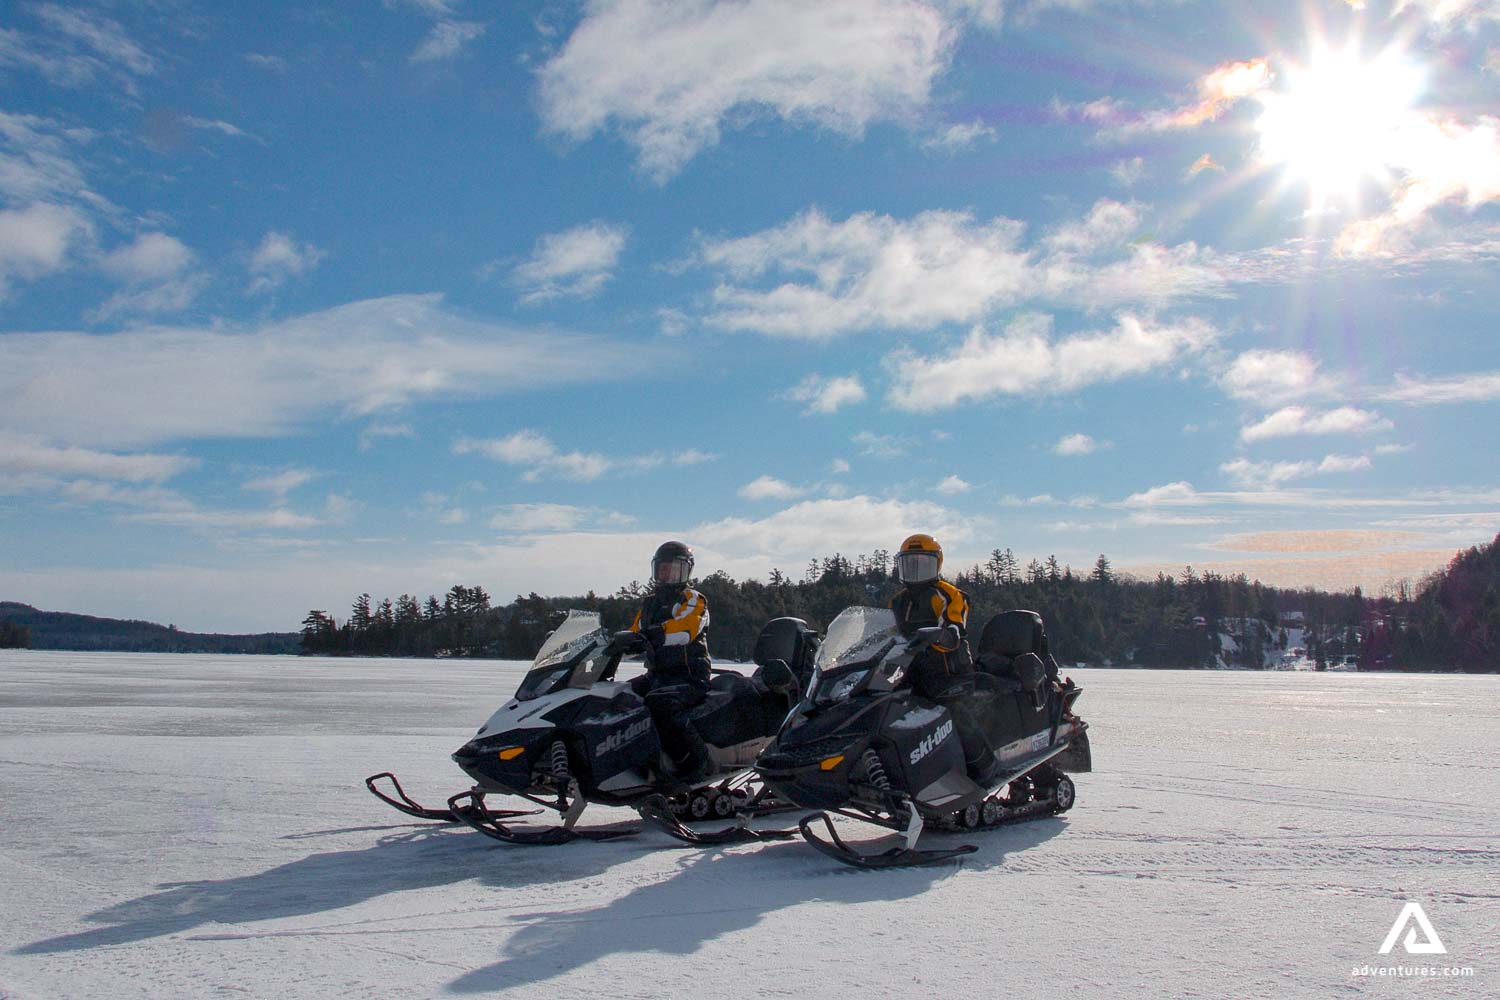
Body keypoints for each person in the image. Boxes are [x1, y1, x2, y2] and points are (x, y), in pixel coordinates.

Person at [889, 533, 1001, 786]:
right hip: (909, 669)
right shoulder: (898, 600)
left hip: (949, 670)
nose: (916, 571)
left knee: (955, 712)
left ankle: (984, 767)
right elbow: (885, 631)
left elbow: (955, 625)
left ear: (937, 564)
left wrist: (942, 635)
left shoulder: (947, 594)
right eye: (910, 564)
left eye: (923, 564)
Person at [626, 540, 713, 783]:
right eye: (663, 568)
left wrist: (651, 636)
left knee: (662, 705)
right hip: (657, 675)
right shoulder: (649, 603)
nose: (667, 573)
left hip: (689, 675)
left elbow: (686, 628)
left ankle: (695, 762)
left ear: (686, 571)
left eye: (673, 568)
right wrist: (613, 645)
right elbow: (634, 631)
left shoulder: (693, 599)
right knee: (618, 696)